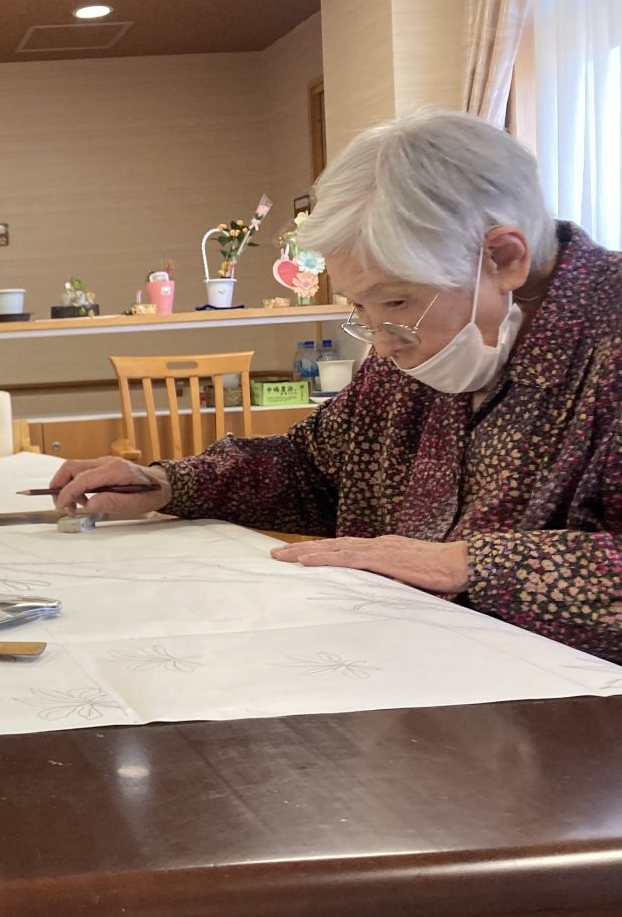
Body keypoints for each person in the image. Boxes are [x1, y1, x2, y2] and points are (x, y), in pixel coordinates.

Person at [51, 109, 620, 660]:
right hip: (406, 659)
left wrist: (467, 565)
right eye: (360, 308)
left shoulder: (607, 337)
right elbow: (313, 469)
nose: (382, 344)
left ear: (502, 257)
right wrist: (167, 484)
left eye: (396, 302)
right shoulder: (409, 346)